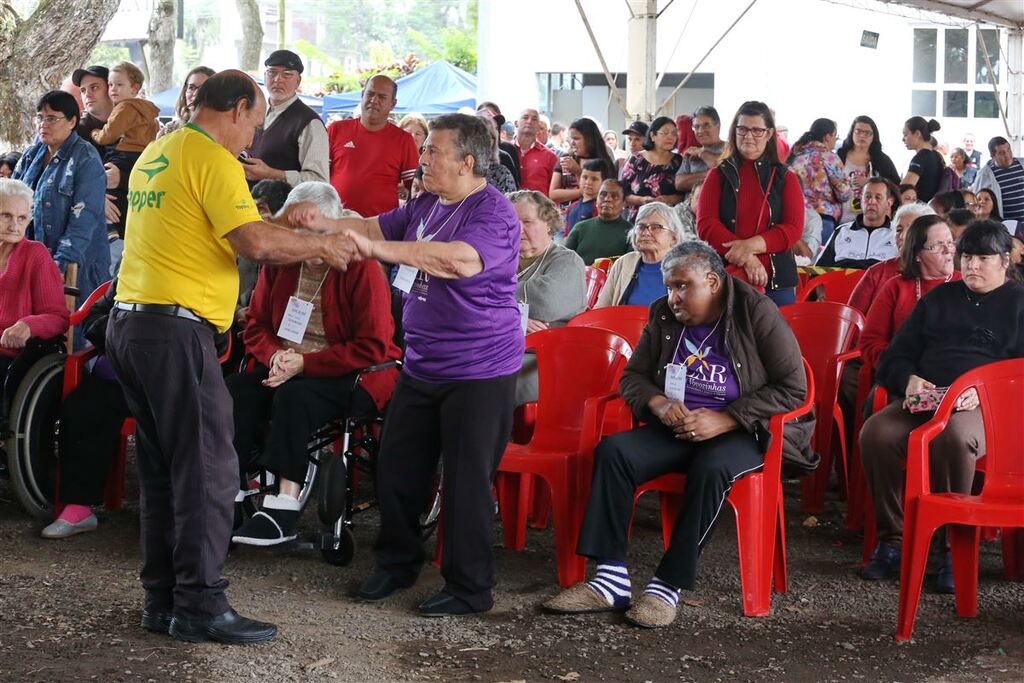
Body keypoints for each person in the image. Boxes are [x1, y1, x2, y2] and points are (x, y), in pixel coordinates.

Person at [106, 70, 356, 645]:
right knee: (209, 471)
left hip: (135, 321)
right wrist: (321, 244)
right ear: (238, 108)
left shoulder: (162, 150)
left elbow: (223, 230)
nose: (256, 137)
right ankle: (199, 604)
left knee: (166, 471)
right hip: (174, 331)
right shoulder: (214, 159)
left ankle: (163, 598)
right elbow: (255, 245)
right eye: (256, 121)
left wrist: (280, 222)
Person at [287, 113, 524, 617]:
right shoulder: (427, 205)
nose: (422, 160)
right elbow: (372, 224)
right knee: (397, 469)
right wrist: (325, 222)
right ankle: (397, 563)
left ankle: (469, 587)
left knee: (465, 480)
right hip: (423, 363)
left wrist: (376, 250)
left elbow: (454, 261)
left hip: (479, 371)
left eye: (432, 152)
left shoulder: (495, 214)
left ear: (467, 161)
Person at [542, 240, 813, 628]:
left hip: (740, 431)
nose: (673, 297)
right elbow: (633, 376)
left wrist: (727, 418)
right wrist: (659, 405)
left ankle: (666, 586)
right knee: (614, 452)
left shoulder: (756, 312)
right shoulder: (663, 315)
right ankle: (610, 579)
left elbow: (793, 387)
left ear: (713, 282)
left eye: (683, 286)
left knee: (712, 467)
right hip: (676, 426)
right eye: (670, 286)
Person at [229, 182, 401, 546]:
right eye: (295, 235)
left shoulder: (361, 268)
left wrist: (305, 364)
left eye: (312, 234)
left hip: (353, 373)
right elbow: (257, 324)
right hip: (286, 365)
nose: (304, 244)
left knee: (294, 399)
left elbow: (372, 346)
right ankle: (231, 489)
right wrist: (275, 356)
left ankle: (283, 508)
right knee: (235, 391)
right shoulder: (281, 263)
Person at [859, 221, 1024, 593]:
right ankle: (894, 539)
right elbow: (894, 355)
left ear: (1004, 261)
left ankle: (954, 547)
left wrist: (987, 393)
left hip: (986, 407)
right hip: (928, 396)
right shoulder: (938, 300)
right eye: (967, 257)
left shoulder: (1019, 304)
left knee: (956, 436)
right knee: (877, 433)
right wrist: (908, 380)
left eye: (983, 258)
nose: (972, 267)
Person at [40, 278, 133, 539]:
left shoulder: (191, 275)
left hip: (169, 377)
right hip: (117, 374)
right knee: (81, 407)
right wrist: (121, 331)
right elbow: (94, 317)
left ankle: (173, 515)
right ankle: (79, 507)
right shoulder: (129, 271)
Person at [697, 101, 804, 306]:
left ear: (769, 133)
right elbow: (706, 225)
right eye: (743, 129)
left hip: (776, 281)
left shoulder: (786, 177)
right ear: (733, 131)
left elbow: (792, 229)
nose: (748, 136)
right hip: (727, 275)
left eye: (757, 130)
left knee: (775, 338)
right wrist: (748, 259)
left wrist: (747, 248)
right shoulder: (717, 175)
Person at [13, 90, 109, 310]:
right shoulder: (31, 155)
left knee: (69, 336)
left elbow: (85, 218)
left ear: (72, 121)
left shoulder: (86, 158)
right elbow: (11, 199)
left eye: (52, 118)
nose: (43, 124)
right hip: (31, 262)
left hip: (76, 265)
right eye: (40, 117)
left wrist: (59, 264)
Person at [509, 190, 587, 404]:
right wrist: (513, 317)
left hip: (543, 356)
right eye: (511, 221)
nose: (518, 229)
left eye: (527, 221)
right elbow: (469, 296)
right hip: (496, 345)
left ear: (548, 224)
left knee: (491, 382)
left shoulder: (567, 261)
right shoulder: (500, 258)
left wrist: (493, 294)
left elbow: (546, 302)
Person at [0, 179, 69, 378]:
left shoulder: (35, 254)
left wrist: (29, 325)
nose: (15, 225)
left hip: (13, 358)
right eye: (6, 216)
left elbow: (58, 318)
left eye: (21, 218)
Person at [328, 75, 419, 217]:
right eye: (370, 94)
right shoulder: (336, 129)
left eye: (382, 97)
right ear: (362, 95)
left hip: (379, 228)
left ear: (393, 103)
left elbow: (415, 188)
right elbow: (320, 176)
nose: (374, 100)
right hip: (333, 220)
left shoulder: (404, 140)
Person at [88, 61, 159, 241]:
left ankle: (110, 226)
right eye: (111, 84)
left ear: (134, 88)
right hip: (141, 157)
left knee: (107, 183)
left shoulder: (124, 107)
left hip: (123, 152)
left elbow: (108, 134)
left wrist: (95, 133)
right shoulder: (147, 111)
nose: (113, 89)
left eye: (119, 85)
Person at [243, 50, 329, 188]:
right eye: (272, 72)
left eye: (287, 74)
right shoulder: (253, 112)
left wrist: (271, 173)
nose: (278, 79)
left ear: (298, 81)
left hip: (284, 207)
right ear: (265, 76)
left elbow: (318, 181)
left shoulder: (309, 122)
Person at [596, 202, 692, 308]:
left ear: (674, 237)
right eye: (641, 227)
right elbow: (601, 309)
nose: (646, 232)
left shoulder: (686, 269)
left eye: (655, 227)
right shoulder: (624, 263)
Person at [847, 202, 933, 315]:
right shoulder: (876, 274)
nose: (902, 236)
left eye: (912, 229)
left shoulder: (948, 276)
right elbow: (852, 319)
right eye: (899, 230)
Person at [788, 118, 852, 245]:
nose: (835, 140)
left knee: (801, 261)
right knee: (819, 262)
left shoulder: (795, 156)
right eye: (835, 136)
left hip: (797, 219)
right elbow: (844, 193)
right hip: (824, 219)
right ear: (828, 136)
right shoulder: (829, 157)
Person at [815, 177, 896, 269]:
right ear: (861, 199)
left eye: (878, 197)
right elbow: (818, 271)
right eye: (867, 196)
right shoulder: (842, 231)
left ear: (889, 202)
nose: (871, 201)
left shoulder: (897, 234)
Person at [836, 116, 901, 225]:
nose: (862, 135)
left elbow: (895, 186)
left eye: (867, 133)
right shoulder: (840, 155)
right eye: (858, 131)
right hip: (840, 216)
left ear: (873, 137)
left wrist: (869, 182)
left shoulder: (881, 159)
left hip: (872, 219)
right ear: (852, 133)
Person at [620, 116, 683, 222]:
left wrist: (668, 199)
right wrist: (642, 200)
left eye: (674, 133)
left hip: (668, 220)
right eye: (665, 133)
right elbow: (622, 192)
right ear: (652, 136)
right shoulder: (635, 160)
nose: (670, 137)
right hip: (638, 219)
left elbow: (686, 195)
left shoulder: (679, 161)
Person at [564, 178, 631, 265]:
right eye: (603, 195)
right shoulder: (580, 228)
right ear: (596, 200)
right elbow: (564, 260)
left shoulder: (631, 233)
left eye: (615, 196)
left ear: (623, 204)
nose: (607, 199)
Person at [550, 118, 616, 204]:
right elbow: (553, 194)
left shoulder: (603, 162)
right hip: (567, 214)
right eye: (572, 139)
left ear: (590, 139)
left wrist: (578, 171)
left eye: (576, 139)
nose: (572, 143)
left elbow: (602, 193)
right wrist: (581, 192)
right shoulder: (566, 158)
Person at [674, 106, 724, 198]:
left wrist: (701, 153)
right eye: (696, 127)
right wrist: (712, 175)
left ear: (718, 126)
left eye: (706, 125)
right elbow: (679, 183)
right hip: (687, 210)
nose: (700, 131)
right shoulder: (691, 153)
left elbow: (725, 170)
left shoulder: (730, 149)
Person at [972, 136, 1024, 223]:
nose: (1007, 155)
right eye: (1001, 153)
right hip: (1005, 225)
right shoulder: (984, 175)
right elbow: (977, 202)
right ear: (993, 156)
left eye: (1008, 150)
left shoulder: (1021, 164)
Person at [157, 66, 215, 138]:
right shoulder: (169, 131)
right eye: (191, 87)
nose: (195, 94)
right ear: (184, 91)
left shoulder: (223, 131)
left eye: (203, 89)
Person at [475, 101, 521, 186]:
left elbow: (515, 188)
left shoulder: (507, 153)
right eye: (488, 126)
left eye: (495, 127)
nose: (492, 132)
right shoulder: (464, 158)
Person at [513, 108, 558, 195]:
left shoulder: (550, 156)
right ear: (516, 123)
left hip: (540, 207)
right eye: (525, 117)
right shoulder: (505, 152)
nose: (529, 121)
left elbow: (555, 191)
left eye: (534, 119)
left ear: (538, 126)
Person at [901, 117, 945, 203]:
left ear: (917, 133)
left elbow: (905, 188)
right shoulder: (937, 155)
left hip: (921, 208)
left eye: (905, 134)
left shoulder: (920, 157)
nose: (903, 139)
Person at [564, 159, 611, 233]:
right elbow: (566, 234)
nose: (588, 182)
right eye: (585, 177)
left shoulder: (600, 208)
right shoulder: (572, 206)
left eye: (594, 179)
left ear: (603, 182)